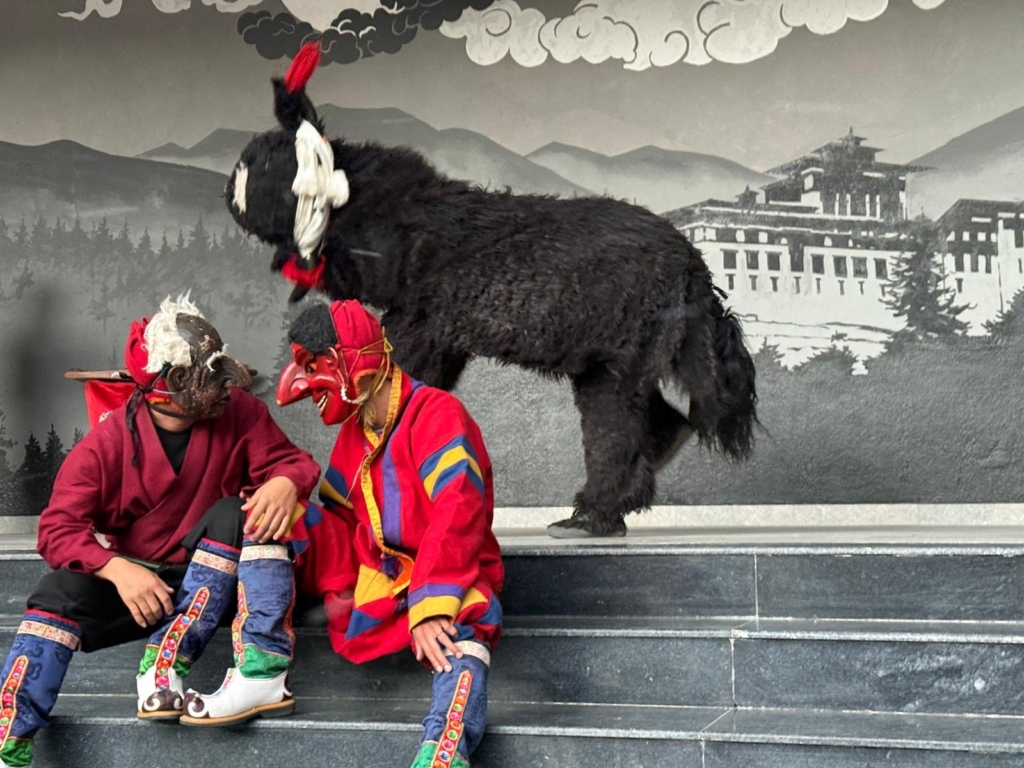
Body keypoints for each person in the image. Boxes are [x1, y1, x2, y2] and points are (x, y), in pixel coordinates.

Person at [0, 294, 321, 767]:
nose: (220, 385)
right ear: (170, 384)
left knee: (238, 510)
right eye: (206, 375)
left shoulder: (242, 414)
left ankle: (183, 668)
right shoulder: (104, 446)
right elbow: (56, 529)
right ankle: (11, 745)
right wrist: (116, 570)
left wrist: (284, 480)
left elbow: (293, 462)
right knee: (55, 592)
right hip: (142, 591)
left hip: (219, 583)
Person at [277, 300, 503, 768]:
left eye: (313, 366)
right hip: (378, 575)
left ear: (351, 362)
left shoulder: (438, 412)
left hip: (442, 574)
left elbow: (458, 511)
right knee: (278, 517)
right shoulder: (355, 432)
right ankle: (258, 660)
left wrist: (430, 602)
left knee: (466, 615)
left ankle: (443, 749)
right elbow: (340, 521)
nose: (303, 385)